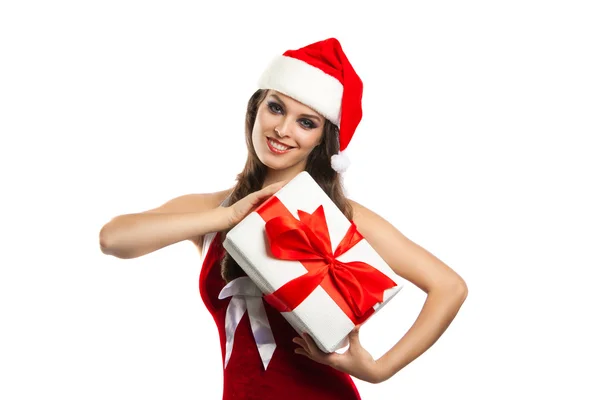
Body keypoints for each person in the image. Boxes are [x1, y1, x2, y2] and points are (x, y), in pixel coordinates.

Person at [99, 38, 468, 400]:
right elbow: (113, 239)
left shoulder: (340, 216)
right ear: (255, 109)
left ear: (323, 140)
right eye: (276, 108)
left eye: (306, 122)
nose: (283, 129)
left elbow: (449, 287)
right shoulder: (211, 210)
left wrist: (378, 369)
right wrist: (226, 216)